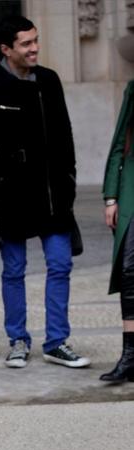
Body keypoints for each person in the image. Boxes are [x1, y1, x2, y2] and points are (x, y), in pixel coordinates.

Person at [0, 15, 90, 369]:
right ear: (6, 49)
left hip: (54, 195)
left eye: (35, 40)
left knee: (60, 264)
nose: (34, 48)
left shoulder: (50, 80)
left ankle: (57, 341)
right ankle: (18, 340)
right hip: (11, 197)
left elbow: (65, 134)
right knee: (14, 270)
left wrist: (69, 179)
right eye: (26, 43)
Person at [101, 80, 134, 383]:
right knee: (129, 269)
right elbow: (117, 147)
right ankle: (130, 356)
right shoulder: (133, 88)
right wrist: (111, 196)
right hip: (131, 194)